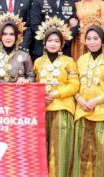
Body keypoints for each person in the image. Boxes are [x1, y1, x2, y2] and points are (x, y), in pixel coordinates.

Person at [72, 22, 104, 177]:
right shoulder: (80, 60)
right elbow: (74, 84)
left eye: (96, 38)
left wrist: (96, 101)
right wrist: (79, 98)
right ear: (85, 41)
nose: (92, 42)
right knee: (82, 155)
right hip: (83, 112)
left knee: (101, 157)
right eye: (89, 38)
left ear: (103, 40)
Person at [33, 17, 78, 177]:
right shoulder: (37, 62)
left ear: (62, 44)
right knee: (41, 149)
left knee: (60, 149)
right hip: (42, 111)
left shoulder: (69, 61)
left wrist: (55, 94)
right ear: (44, 43)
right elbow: (33, 85)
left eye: (56, 41)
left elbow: (74, 85)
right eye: (50, 40)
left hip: (62, 109)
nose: (53, 43)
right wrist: (40, 96)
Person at [0, 14, 35, 84]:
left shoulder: (24, 54)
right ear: (0, 36)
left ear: (16, 36)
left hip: (19, 93)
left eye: (11, 34)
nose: (8, 37)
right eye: (5, 34)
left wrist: (27, 80)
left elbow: (31, 76)